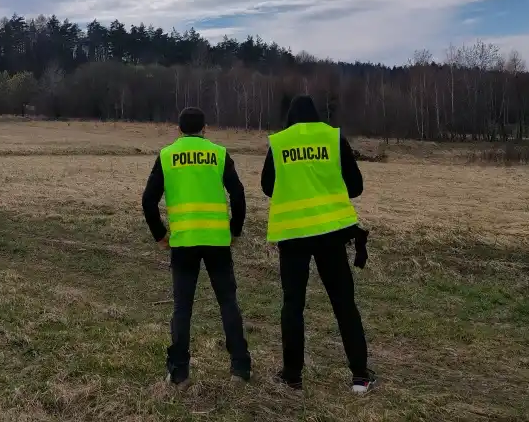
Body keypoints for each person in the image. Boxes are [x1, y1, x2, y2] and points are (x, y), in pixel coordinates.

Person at [261, 94, 377, 394]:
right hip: (331, 234)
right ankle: (360, 376)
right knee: (344, 305)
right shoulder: (333, 138)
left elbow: (267, 186)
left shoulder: (280, 142)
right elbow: (356, 186)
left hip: (293, 236)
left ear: (290, 116)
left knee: (293, 306)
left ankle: (292, 376)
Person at [141, 106, 253, 388]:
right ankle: (240, 368)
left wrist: (159, 235)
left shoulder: (167, 156)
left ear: (178, 130)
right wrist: (235, 229)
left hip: (184, 243)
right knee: (228, 303)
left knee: (182, 308)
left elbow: (148, 201)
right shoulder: (218, 154)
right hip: (217, 241)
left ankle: (179, 373)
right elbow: (238, 195)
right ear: (206, 129)